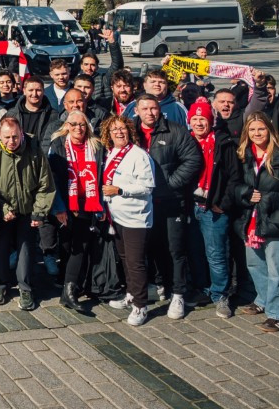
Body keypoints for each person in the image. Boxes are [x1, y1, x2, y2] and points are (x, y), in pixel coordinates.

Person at [231, 112, 279, 333]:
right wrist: (245, 192)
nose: (257, 133)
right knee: (254, 264)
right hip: (251, 220)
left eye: (261, 129)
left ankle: (278, 314)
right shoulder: (244, 155)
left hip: (277, 222)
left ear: (270, 130)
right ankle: (263, 299)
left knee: (278, 269)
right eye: (252, 130)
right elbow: (234, 183)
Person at [0, 117, 60, 311]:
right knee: (1, 247)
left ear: (21, 133)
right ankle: (0, 284)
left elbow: (45, 185)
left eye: (15, 137)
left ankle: (25, 287)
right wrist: (3, 208)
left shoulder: (34, 151)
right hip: (3, 210)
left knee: (26, 248)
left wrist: (39, 212)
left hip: (28, 209)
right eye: (6, 137)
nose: (11, 141)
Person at [132, 93, 203, 319]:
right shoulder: (130, 131)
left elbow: (192, 160)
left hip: (171, 201)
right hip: (143, 204)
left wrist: (170, 184)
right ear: (137, 111)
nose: (149, 113)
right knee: (152, 248)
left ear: (159, 109)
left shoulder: (175, 130)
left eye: (153, 108)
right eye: (145, 109)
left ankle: (179, 293)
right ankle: (161, 284)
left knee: (175, 249)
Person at [184, 98, 241, 319]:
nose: (199, 123)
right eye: (195, 119)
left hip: (214, 206)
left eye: (203, 119)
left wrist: (224, 204)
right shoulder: (185, 141)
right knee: (196, 252)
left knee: (216, 253)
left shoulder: (222, 143)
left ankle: (221, 294)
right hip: (191, 205)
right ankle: (203, 288)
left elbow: (234, 178)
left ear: (210, 121)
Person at [45, 110, 106, 313]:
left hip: (87, 203)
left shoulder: (96, 146)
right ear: (66, 126)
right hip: (64, 203)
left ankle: (69, 292)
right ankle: (66, 285)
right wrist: (59, 207)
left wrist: (102, 206)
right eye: (74, 124)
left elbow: (102, 177)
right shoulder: (58, 146)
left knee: (79, 247)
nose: (78, 128)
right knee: (67, 246)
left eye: (82, 124)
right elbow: (50, 180)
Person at [100, 115, 157, 327]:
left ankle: (141, 306)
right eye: (114, 129)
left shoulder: (139, 155)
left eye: (123, 129)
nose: (119, 132)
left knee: (135, 263)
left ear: (130, 131)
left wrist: (120, 190)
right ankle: (132, 294)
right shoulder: (111, 152)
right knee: (125, 259)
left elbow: (148, 187)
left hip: (136, 219)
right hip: (117, 217)